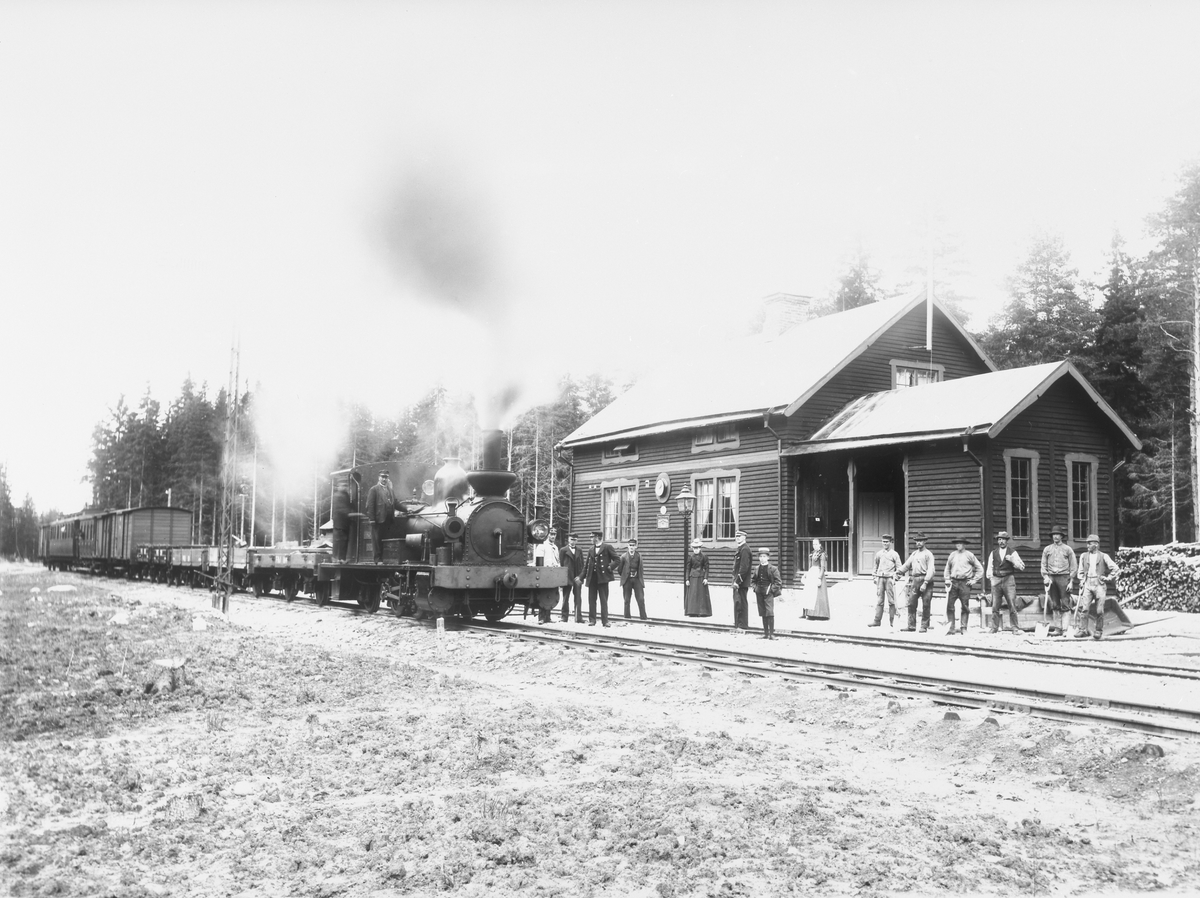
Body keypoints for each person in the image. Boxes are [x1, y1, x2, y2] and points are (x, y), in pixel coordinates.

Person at [1074, 533, 1120, 640]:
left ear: (1096, 544)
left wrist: (1108, 578)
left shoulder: (1104, 556)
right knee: (1084, 609)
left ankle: (1098, 631)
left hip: (1099, 584)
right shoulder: (1083, 556)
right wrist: (1082, 581)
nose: (1087, 546)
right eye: (1087, 544)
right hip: (1088, 584)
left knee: (1099, 610)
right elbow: (1080, 571)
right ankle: (1082, 630)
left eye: (1089, 544)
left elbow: (1116, 569)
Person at [986, 530, 1026, 633]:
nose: (1001, 541)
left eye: (1003, 539)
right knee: (995, 605)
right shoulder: (993, 553)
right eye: (999, 539)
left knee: (1012, 604)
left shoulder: (1012, 552)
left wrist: (1013, 560)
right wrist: (991, 578)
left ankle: (1015, 627)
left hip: (1009, 579)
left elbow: (1022, 567)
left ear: (1007, 541)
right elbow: (989, 567)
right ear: (997, 541)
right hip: (996, 579)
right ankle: (994, 627)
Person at [942, 536, 983, 635]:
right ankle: (951, 628)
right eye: (956, 543)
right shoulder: (952, 555)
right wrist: (947, 579)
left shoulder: (969, 555)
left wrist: (974, 580)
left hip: (965, 583)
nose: (958, 545)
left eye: (960, 543)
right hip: (953, 583)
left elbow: (980, 569)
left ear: (964, 544)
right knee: (949, 606)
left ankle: (963, 628)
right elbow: (947, 568)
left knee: (965, 606)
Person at [897, 531, 935, 632]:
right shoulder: (914, 554)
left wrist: (925, 583)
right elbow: (906, 565)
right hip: (915, 580)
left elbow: (931, 570)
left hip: (926, 580)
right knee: (911, 603)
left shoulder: (928, 554)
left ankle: (924, 626)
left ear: (925, 541)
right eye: (917, 541)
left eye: (920, 541)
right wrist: (898, 573)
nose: (918, 543)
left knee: (926, 603)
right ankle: (911, 626)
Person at [582, 530, 621, 627]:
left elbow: (617, 560)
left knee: (603, 600)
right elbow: (586, 565)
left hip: (603, 578)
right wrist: (581, 577)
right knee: (591, 600)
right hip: (592, 578)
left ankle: (605, 621)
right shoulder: (591, 549)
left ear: (597, 537)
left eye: (592, 537)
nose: (590, 539)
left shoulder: (607, 547)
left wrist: (610, 567)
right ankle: (592, 620)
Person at [1041, 525, 1077, 618]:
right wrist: (1046, 577)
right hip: (1051, 578)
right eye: (1054, 534)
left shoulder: (1067, 549)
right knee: (1054, 604)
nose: (1055, 536)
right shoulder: (1047, 549)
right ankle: (1057, 626)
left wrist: (1071, 582)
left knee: (1065, 603)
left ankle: (1065, 626)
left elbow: (1073, 566)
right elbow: (1043, 565)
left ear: (1061, 536)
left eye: (1057, 534)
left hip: (1064, 578)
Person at [364, 470, 401, 563]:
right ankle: (377, 560)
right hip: (378, 520)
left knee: (386, 540)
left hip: (388, 520)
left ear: (388, 478)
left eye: (386, 477)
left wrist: (407, 509)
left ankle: (386, 559)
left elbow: (396, 503)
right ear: (379, 478)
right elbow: (370, 505)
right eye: (382, 477)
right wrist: (372, 519)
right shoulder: (374, 489)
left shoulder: (390, 490)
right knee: (377, 541)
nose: (384, 479)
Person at [869, 534, 902, 627]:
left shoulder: (894, 554)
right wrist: (874, 577)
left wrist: (896, 578)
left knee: (891, 601)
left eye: (887, 542)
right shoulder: (879, 554)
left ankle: (891, 622)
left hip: (889, 579)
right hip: (880, 578)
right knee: (879, 600)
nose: (885, 544)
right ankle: (877, 621)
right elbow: (875, 566)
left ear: (890, 542)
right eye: (883, 542)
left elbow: (900, 568)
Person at [750, 547, 782, 639]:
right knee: (763, 612)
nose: (762, 558)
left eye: (764, 556)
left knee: (769, 612)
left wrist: (771, 590)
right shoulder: (756, 568)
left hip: (768, 592)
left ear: (768, 557)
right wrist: (755, 588)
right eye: (760, 556)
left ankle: (771, 634)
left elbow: (778, 582)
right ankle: (765, 633)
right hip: (759, 592)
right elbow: (753, 580)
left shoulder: (773, 569)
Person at [531, 530, 561, 623]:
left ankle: (548, 617)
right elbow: (538, 560)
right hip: (544, 573)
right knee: (543, 594)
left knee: (551, 594)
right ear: (548, 535)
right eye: (551, 534)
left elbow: (557, 560)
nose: (553, 536)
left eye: (554, 534)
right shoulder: (542, 546)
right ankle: (542, 617)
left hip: (553, 573)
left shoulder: (555, 547)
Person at [801, 538, 830, 621]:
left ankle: (819, 614)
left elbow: (822, 568)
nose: (814, 546)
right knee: (809, 593)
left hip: (817, 573)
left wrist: (819, 578)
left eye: (816, 544)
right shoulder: (812, 553)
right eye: (813, 544)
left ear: (820, 545)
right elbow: (811, 566)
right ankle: (808, 613)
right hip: (812, 573)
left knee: (817, 594)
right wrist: (807, 573)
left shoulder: (822, 554)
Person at [559, 533, 585, 623]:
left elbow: (582, 564)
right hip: (567, 577)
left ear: (577, 540)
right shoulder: (563, 550)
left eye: (575, 540)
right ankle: (564, 617)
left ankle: (578, 618)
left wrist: (581, 577)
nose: (573, 541)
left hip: (577, 577)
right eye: (571, 539)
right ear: (568, 540)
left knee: (578, 597)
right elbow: (561, 564)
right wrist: (562, 578)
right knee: (565, 597)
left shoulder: (579, 550)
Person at [619, 537, 647, 620]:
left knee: (641, 599)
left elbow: (641, 568)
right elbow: (619, 569)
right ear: (628, 546)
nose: (631, 547)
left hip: (637, 580)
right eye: (630, 545)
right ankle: (627, 617)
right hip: (627, 580)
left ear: (636, 546)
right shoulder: (623, 556)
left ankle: (643, 617)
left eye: (633, 545)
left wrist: (638, 576)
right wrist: (625, 576)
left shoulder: (639, 556)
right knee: (627, 600)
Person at [684, 538, 712, 617]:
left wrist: (706, 578)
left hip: (701, 577)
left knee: (701, 595)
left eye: (697, 548)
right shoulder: (690, 557)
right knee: (693, 594)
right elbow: (688, 569)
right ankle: (692, 612)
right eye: (694, 548)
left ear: (700, 548)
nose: (696, 550)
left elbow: (706, 568)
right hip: (692, 577)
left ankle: (702, 612)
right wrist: (687, 579)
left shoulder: (704, 557)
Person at [732, 530, 753, 630]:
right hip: (738, 581)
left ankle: (742, 624)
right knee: (738, 602)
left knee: (741, 602)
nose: (737, 538)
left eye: (739, 536)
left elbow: (744, 567)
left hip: (741, 582)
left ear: (744, 537)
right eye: (736, 536)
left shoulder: (745, 549)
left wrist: (737, 581)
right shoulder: (741, 548)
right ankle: (738, 622)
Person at [331, 484, 351, 562]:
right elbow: (340, 508)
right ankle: (336, 558)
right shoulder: (337, 496)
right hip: (339, 522)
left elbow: (349, 506)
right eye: (343, 486)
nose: (345, 487)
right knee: (339, 540)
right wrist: (350, 513)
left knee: (344, 541)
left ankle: (342, 558)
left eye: (346, 486)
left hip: (345, 523)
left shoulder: (346, 495)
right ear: (339, 487)